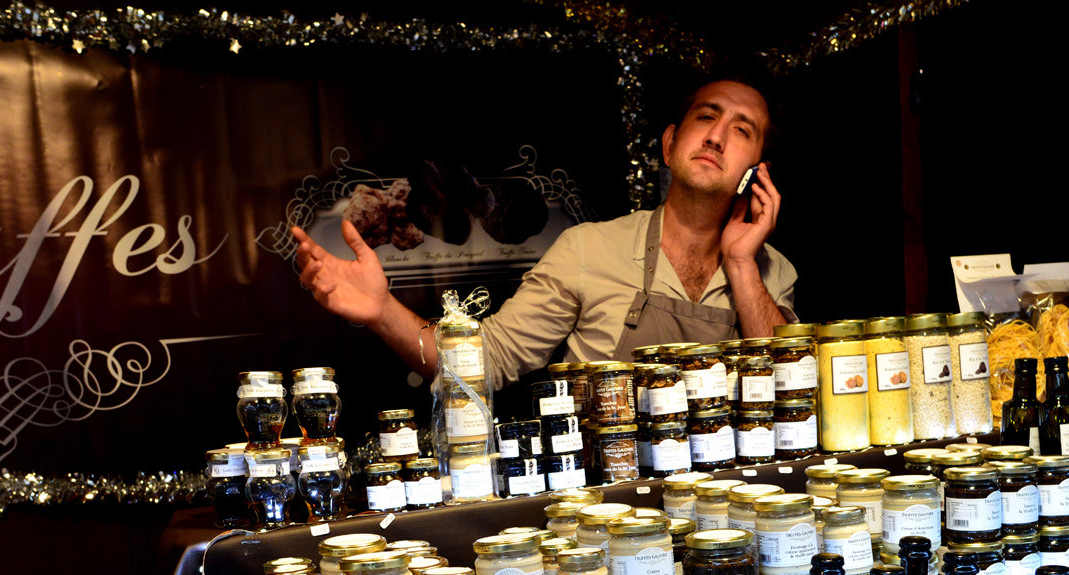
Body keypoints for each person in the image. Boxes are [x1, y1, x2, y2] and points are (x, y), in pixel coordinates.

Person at [291, 77, 797, 390]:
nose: (715, 134)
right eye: (706, 117)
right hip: (606, 516)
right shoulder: (588, 249)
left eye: (741, 129)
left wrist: (740, 266)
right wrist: (382, 311)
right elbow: (483, 364)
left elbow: (792, 384)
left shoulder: (770, 271)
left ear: (758, 171)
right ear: (668, 146)